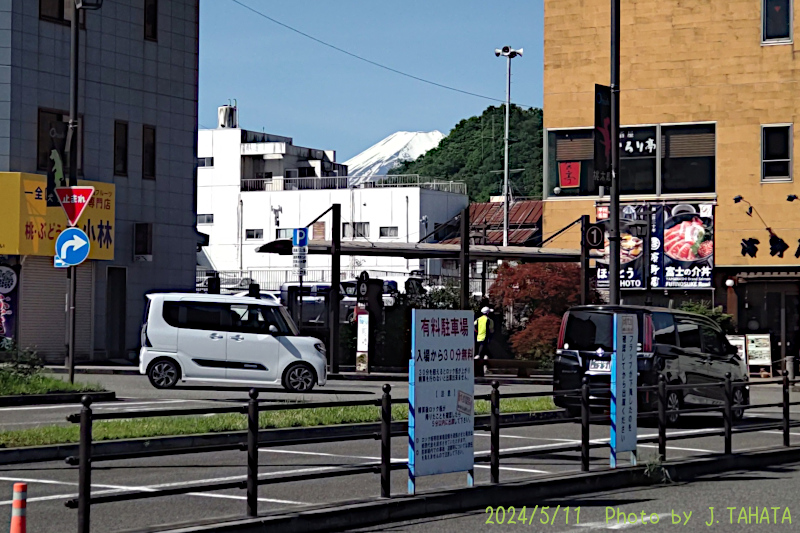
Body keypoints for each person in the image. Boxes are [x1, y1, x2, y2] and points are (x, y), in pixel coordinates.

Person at [474, 307, 494, 372]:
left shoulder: (478, 319)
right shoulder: (490, 320)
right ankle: (483, 368)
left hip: (478, 338)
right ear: (488, 313)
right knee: (481, 354)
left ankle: (484, 369)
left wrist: (477, 331)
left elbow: (473, 326)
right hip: (486, 339)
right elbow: (491, 331)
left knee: (484, 353)